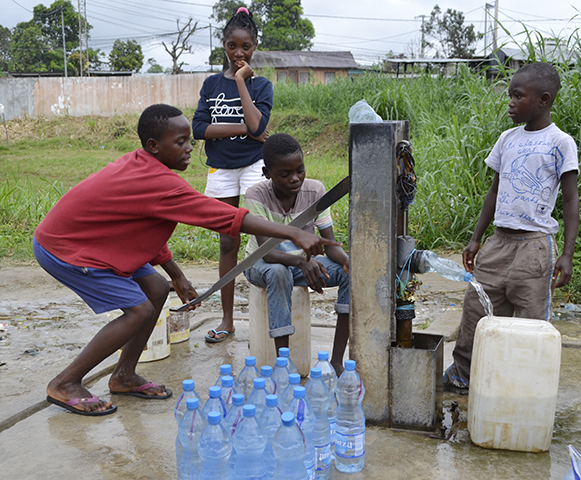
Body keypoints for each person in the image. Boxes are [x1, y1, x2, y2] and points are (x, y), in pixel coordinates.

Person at [33, 104, 338, 416]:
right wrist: (293, 234)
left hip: (92, 239)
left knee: (155, 288)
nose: (190, 148)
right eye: (180, 142)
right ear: (153, 146)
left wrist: (175, 274)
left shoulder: (145, 169)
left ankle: (123, 375)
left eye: (190, 140)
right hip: (66, 248)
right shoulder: (158, 183)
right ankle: (67, 382)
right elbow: (224, 216)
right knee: (138, 311)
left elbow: (142, 227)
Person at [443, 62, 580, 394]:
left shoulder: (561, 143)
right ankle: (463, 374)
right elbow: (493, 192)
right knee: (476, 308)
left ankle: (524, 388)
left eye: (518, 96)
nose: (511, 102)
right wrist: (476, 239)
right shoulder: (507, 139)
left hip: (535, 247)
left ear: (544, 100)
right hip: (498, 242)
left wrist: (567, 255)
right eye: (510, 95)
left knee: (530, 322)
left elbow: (570, 201)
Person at [192, 7, 272, 344]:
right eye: (232, 46)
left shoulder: (262, 85)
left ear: (255, 46)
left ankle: (269, 318)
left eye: (246, 47)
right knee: (228, 240)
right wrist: (244, 129)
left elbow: (259, 127)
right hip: (221, 168)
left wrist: (241, 81)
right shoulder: (210, 84)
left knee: (262, 241)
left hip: (254, 164)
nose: (239, 54)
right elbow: (198, 129)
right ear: (223, 46)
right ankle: (227, 320)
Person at [242, 133, 350, 375]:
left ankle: (336, 361)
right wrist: (301, 262)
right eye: (285, 174)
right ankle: (284, 365)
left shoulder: (315, 191)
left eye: (299, 170)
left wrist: (345, 261)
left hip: (301, 265)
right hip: (262, 264)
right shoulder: (255, 195)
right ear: (267, 173)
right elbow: (267, 252)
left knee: (348, 274)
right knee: (279, 273)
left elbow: (329, 243)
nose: (295, 178)